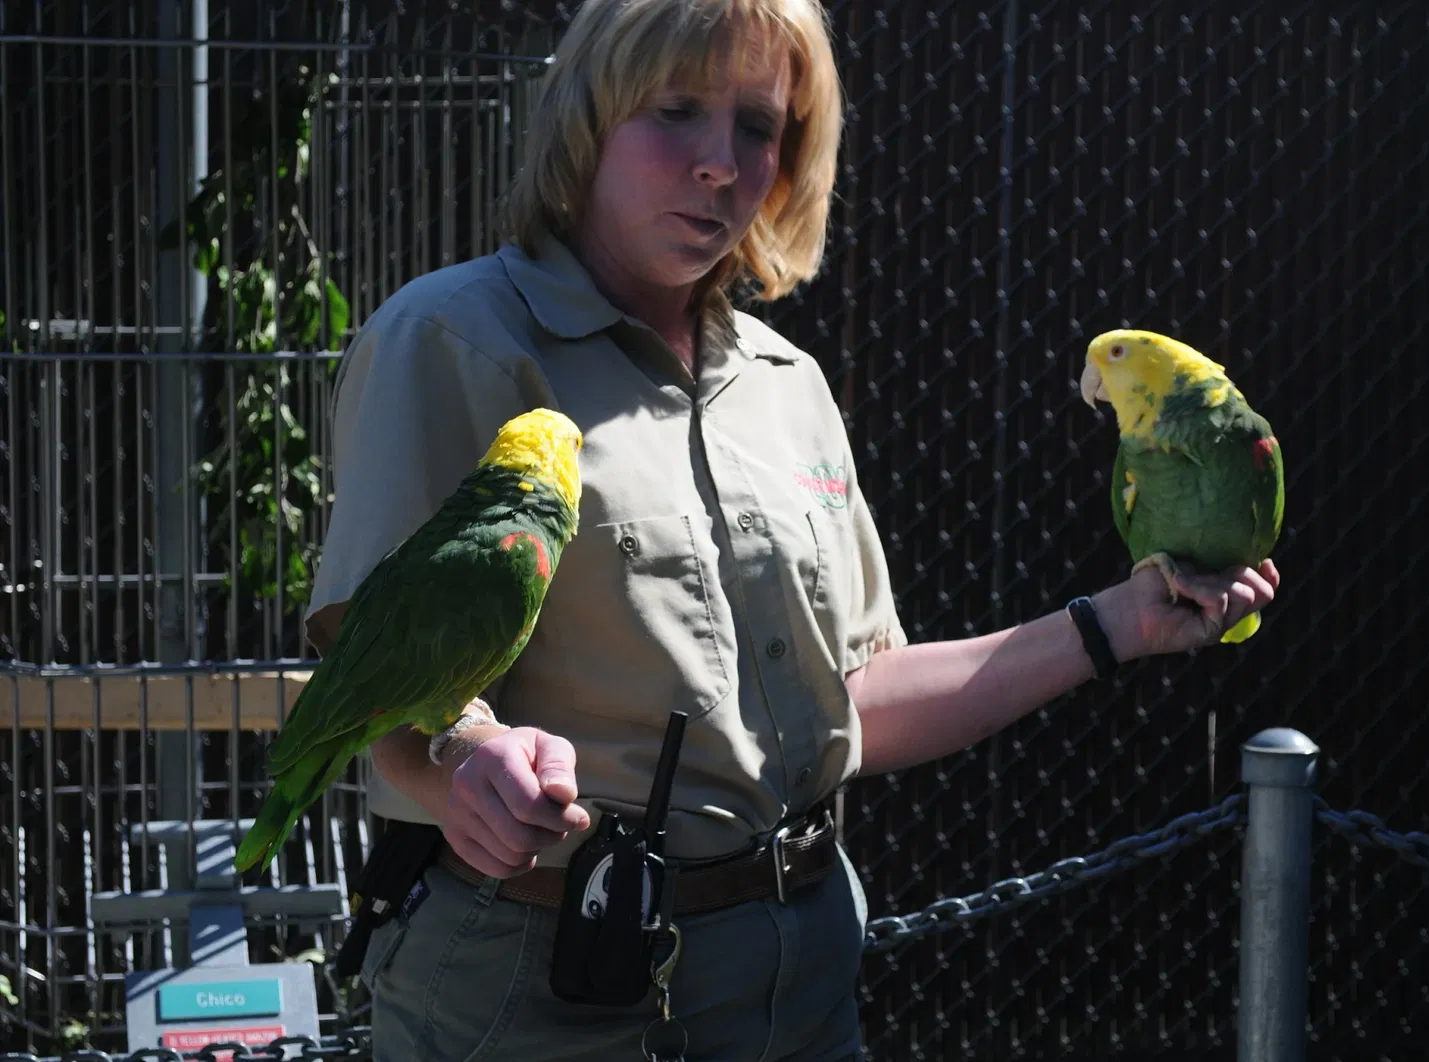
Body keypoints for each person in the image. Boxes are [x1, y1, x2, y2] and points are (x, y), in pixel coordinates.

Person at [301, 0, 1281, 1058]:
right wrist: (469, 761)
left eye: (759, 127)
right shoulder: (454, 342)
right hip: (549, 984)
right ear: (586, 117)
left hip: (805, 977)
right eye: (675, 111)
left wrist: (1118, 623)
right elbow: (371, 694)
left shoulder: (787, 384)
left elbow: (854, 702)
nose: (721, 163)